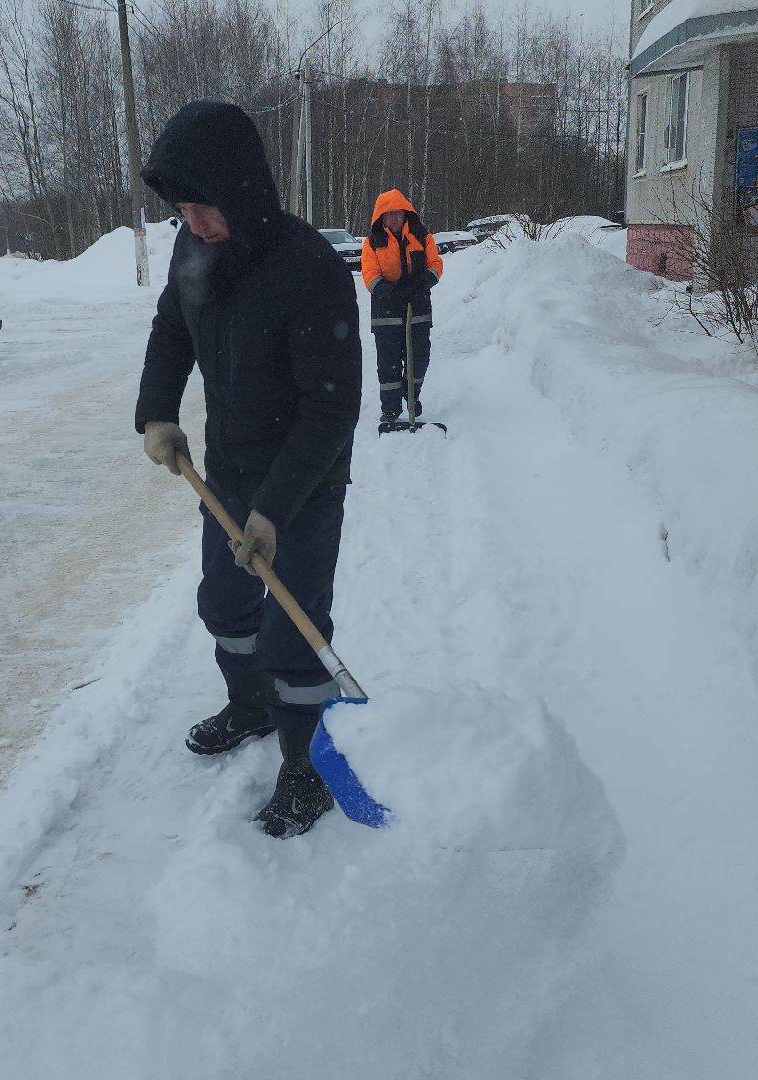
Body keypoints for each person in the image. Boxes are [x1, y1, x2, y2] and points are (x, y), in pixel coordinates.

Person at [134, 100, 362, 839]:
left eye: (204, 207)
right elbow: (173, 327)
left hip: (301, 483)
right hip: (228, 469)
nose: (193, 223)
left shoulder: (310, 270)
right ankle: (252, 705)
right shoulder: (192, 250)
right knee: (226, 608)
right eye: (183, 209)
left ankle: (305, 767)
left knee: (293, 633)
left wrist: (274, 511)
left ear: (242, 192)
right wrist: (158, 413)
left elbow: (331, 412)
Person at [359, 189, 444, 431]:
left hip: (417, 308)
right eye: (388, 215)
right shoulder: (372, 242)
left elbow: (435, 264)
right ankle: (390, 409)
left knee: (419, 358)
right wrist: (388, 291)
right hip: (386, 312)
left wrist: (425, 281)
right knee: (388, 363)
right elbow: (370, 274)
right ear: (381, 219)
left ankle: (411, 394)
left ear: (405, 214)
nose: (393, 219)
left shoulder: (422, 236)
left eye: (397, 214)